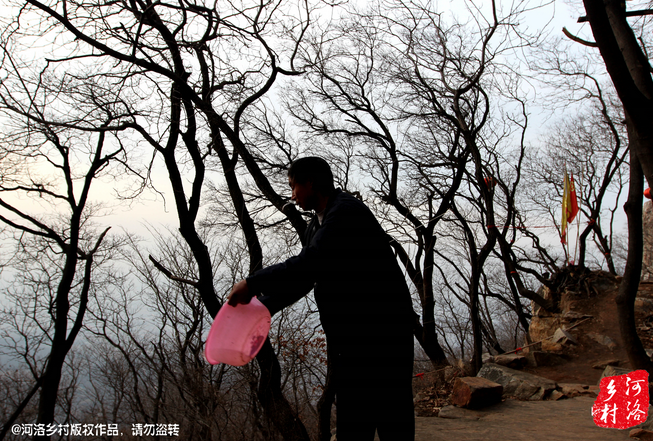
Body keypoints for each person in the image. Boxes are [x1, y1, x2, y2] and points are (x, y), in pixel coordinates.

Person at [228, 157, 415, 440]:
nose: (292, 195)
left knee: (392, 418)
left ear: (311, 183)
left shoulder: (345, 212)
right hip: (352, 341)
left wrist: (252, 283)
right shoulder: (317, 225)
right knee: (354, 421)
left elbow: (308, 263)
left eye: (294, 186)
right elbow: (306, 278)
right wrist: (260, 306)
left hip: (385, 335)